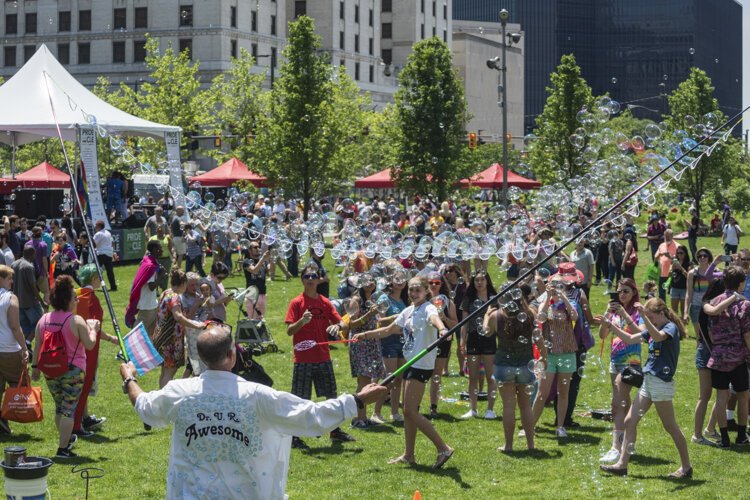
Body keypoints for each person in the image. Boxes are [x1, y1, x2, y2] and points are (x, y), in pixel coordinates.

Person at [120, 324, 386, 499]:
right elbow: (312, 417)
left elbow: (144, 405)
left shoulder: (178, 392)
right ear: (233, 356)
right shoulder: (257, 396)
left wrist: (129, 378)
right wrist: (358, 400)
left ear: (201, 359)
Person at [354, 276, 454, 469]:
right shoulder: (409, 310)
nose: (413, 293)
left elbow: (434, 320)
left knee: (409, 410)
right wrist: (365, 335)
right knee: (409, 412)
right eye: (411, 290)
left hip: (421, 364)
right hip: (411, 362)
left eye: (418, 290)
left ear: (426, 291)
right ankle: (409, 455)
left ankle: (443, 448)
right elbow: (389, 330)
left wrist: (442, 330)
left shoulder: (428, 308)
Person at [600, 298, 692, 479]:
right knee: (629, 422)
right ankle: (622, 465)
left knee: (670, 426)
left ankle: (686, 467)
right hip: (648, 381)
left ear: (661, 314)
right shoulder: (653, 328)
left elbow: (658, 337)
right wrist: (611, 325)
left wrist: (643, 316)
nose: (649, 320)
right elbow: (629, 338)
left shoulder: (669, 328)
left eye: (651, 317)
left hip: (660, 383)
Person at [284, 264, 356, 449]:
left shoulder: (324, 302)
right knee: (300, 399)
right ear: (302, 279)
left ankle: (335, 431)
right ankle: (294, 436)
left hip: (323, 357)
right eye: (306, 276)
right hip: (303, 359)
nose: (310, 279)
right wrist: (302, 320)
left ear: (318, 280)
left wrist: (338, 327)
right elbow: (289, 331)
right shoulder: (296, 303)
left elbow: (343, 322)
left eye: (313, 276)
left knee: (331, 396)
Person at [31, 275, 97, 458]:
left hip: (49, 369)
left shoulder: (43, 319)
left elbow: (37, 345)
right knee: (69, 409)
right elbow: (90, 344)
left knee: (60, 407)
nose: (77, 300)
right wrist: (93, 329)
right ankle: (62, 449)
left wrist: (35, 367)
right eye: (75, 297)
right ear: (68, 300)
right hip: (73, 371)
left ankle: (65, 441)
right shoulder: (76, 321)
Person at [484, 284, 546, 452]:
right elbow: (539, 338)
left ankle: (509, 445)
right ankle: (530, 445)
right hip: (526, 365)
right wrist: (544, 357)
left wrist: (487, 313)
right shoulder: (530, 314)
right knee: (526, 406)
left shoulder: (496, 316)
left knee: (508, 407)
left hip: (504, 365)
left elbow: (486, 332)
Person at [595, 278, 643, 463]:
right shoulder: (613, 312)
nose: (622, 294)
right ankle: (627, 443)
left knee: (617, 404)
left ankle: (617, 447)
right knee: (623, 403)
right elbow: (602, 335)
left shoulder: (637, 311)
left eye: (626, 291)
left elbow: (639, 334)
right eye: (619, 291)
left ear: (633, 293)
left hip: (630, 363)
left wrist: (623, 313)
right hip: (615, 361)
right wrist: (608, 314)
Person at [703, 265, 750, 447]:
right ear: (740, 283)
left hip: (718, 357)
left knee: (721, 397)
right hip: (738, 357)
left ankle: (724, 438)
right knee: (743, 396)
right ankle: (741, 436)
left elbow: (710, 333)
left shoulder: (714, 302)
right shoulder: (744, 304)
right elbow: (747, 334)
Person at [72, 265, 118, 437]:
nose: (101, 280)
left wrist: (110, 338)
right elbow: (94, 327)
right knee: (83, 387)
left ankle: (82, 419)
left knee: (77, 387)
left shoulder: (76, 294)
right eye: (100, 277)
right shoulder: (92, 299)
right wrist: (108, 338)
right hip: (88, 349)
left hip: (73, 346)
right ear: (93, 279)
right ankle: (77, 426)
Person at [531, 277, 579, 438]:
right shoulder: (545, 303)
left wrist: (563, 297)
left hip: (567, 352)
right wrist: (547, 296)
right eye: (554, 285)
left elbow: (574, 317)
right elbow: (541, 318)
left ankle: (560, 426)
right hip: (548, 355)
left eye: (560, 285)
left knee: (563, 392)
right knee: (541, 393)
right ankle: (530, 426)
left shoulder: (568, 304)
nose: (557, 288)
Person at [152, 269, 207, 389]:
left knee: (165, 371)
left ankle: (162, 395)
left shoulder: (165, 292)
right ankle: (165, 397)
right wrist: (196, 325)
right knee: (169, 372)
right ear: (183, 284)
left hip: (161, 337)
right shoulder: (175, 297)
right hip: (170, 340)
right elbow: (178, 316)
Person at [346, 277, 385, 428]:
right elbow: (351, 324)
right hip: (360, 343)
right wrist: (368, 314)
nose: (370, 283)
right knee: (363, 380)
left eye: (372, 280)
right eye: (366, 280)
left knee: (368, 381)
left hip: (371, 342)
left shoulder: (373, 299)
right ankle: (358, 419)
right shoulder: (355, 300)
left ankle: (363, 417)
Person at [459, 271, 497, 420]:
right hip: (473, 338)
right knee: (473, 377)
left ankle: (490, 410)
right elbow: (464, 322)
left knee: (490, 376)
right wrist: (462, 340)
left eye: (482, 280)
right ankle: (473, 409)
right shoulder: (469, 298)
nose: (479, 283)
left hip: (489, 338)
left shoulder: (494, 298)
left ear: (487, 281)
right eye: (476, 280)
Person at [372, 266, 408, 423]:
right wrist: (395, 317)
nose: (400, 282)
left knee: (398, 379)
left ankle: (394, 413)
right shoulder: (384, 299)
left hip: (402, 342)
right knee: (389, 378)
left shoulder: (404, 300)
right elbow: (378, 321)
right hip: (388, 342)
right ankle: (376, 412)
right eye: (396, 279)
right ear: (391, 282)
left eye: (402, 279)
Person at [0, 265, 30, 435]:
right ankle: (7, 417)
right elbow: (15, 326)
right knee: (18, 385)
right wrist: (25, 348)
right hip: (9, 349)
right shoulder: (11, 298)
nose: (12, 281)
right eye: (9, 278)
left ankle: (2, 425)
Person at [428, 272, 459, 418]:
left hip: (442, 341)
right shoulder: (421, 300)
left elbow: (456, 324)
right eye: (431, 282)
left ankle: (433, 406)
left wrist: (444, 318)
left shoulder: (447, 302)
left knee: (436, 374)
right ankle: (414, 404)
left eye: (437, 282)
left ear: (442, 284)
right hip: (425, 340)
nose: (433, 285)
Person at [125, 241, 164, 338]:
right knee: (137, 333)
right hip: (147, 306)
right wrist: (161, 276)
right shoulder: (151, 266)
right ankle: (130, 350)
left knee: (151, 333)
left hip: (152, 304)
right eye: (160, 248)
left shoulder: (148, 261)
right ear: (155, 250)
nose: (162, 251)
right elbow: (151, 287)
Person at [11, 246, 44, 343]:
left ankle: (24, 347)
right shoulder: (29, 267)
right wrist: (41, 302)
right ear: (32, 254)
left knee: (24, 327)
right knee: (40, 322)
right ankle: (28, 343)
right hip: (30, 303)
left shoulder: (14, 264)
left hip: (18, 302)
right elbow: (33, 286)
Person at [242, 243, 270, 319]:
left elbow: (270, 271)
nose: (258, 248)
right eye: (255, 247)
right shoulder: (246, 262)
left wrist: (273, 258)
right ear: (249, 250)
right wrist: (263, 259)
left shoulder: (263, 261)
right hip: (252, 295)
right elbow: (254, 271)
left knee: (260, 319)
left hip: (263, 293)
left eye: (259, 247)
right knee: (251, 320)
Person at [149, 225, 175, 291]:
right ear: (156, 230)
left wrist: (173, 256)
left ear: (164, 230)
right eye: (159, 230)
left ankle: (164, 289)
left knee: (165, 275)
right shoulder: (152, 238)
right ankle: (156, 289)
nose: (160, 231)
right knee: (156, 274)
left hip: (166, 259)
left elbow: (170, 248)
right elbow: (149, 250)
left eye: (161, 230)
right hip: (156, 259)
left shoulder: (167, 238)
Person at [93, 220, 117, 291]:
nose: (95, 227)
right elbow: (113, 243)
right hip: (109, 253)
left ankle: (92, 285)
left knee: (94, 270)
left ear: (99, 226)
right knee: (110, 271)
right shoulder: (108, 233)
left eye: (96, 226)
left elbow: (93, 243)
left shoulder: (98, 234)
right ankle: (113, 287)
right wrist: (112, 252)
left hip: (101, 253)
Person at [654, 229, 677, 301]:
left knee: (674, 294)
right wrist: (660, 255)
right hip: (663, 273)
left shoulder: (678, 246)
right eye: (665, 236)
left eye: (668, 236)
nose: (667, 238)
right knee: (661, 293)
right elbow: (655, 258)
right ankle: (662, 308)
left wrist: (669, 256)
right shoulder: (661, 245)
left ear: (672, 236)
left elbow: (679, 260)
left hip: (673, 273)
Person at [668, 244, 691, 317]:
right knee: (674, 311)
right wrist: (672, 270)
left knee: (683, 310)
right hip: (674, 288)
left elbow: (689, 276)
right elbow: (669, 275)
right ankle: (675, 326)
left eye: (681, 253)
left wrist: (681, 268)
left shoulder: (689, 264)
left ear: (685, 253)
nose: (679, 255)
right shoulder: (674, 262)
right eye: (678, 253)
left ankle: (683, 327)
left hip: (684, 289)